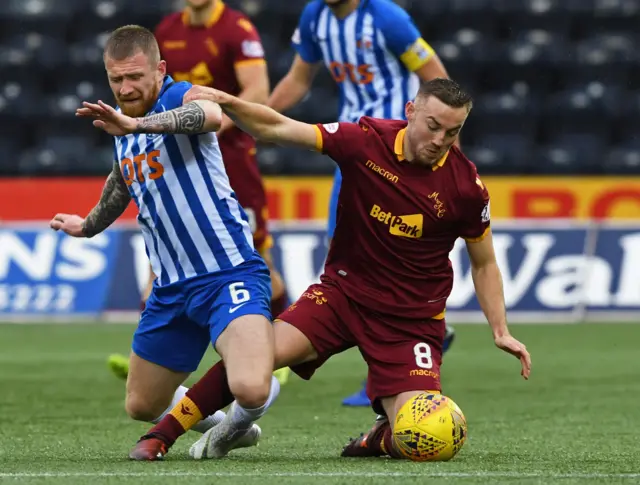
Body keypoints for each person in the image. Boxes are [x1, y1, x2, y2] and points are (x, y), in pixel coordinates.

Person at [127, 78, 531, 461]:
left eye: (453, 132)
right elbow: (279, 127)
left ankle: (380, 436)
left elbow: (485, 262)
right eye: (433, 126)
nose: (440, 141)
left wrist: (500, 329)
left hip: (410, 321)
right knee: (257, 354)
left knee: (433, 437)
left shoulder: (465, 188)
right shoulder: (363, 142)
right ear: (411, 111)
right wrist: (230, 102)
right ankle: (163, 434)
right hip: (342, 297)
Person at [50, 25, 281, 459]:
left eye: (135, 76)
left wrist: (134, 123)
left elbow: (212, 116)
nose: (126, 87)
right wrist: (88, 225)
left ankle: (234, 423)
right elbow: (122, 180)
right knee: (141, 404)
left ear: (160, 69)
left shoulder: (178, 97)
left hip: (227, 273)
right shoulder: (123, 123)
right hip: (171, 289)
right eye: (116, 79)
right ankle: (228, 422)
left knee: (251, 387)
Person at [268, 0, 455, 406]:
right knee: (346, 252)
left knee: (380, 257)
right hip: (354, 148)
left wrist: (442, 150)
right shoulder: (315, 16)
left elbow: (435, 77)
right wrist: (255, 116)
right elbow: (299, 81)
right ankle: (403, 350)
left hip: (396, 150)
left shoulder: (386, 17)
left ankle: (390, 368)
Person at [107, 0, 292, 386]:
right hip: (169, 152)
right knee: (163, 262)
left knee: (260, 261)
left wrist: (208, 127)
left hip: (231, 159)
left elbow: (257, 90)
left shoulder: (237, 29)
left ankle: (278, 353)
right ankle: (154, 358)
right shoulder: (168, 29)